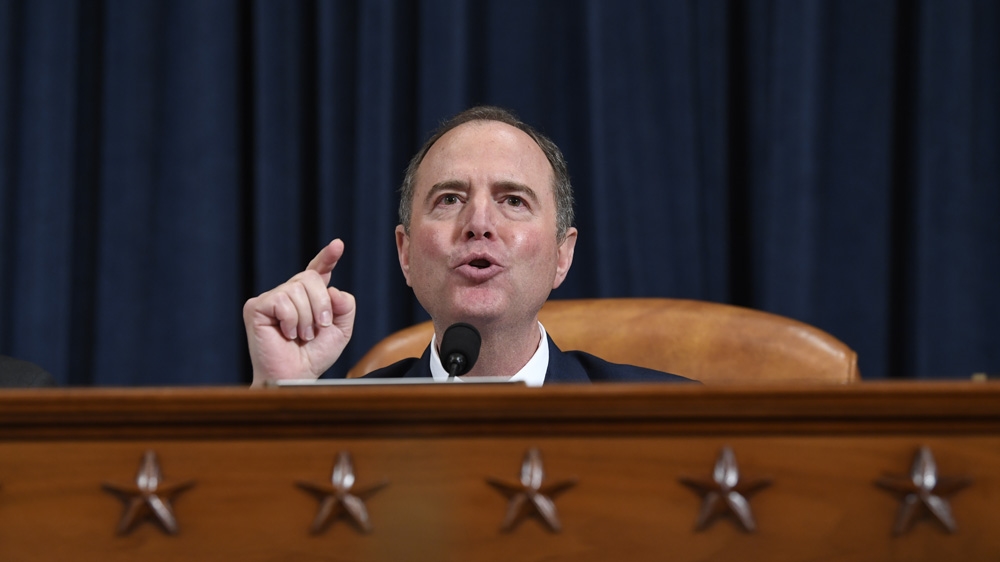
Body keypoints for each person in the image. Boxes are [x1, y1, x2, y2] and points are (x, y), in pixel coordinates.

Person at [243, 106, 691, 387]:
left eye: (513, 201)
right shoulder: (345, 423)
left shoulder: (670, 418)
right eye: (449, 199)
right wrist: (277, 395)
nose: (479, 224)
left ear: (563, 255)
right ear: (405, 253)